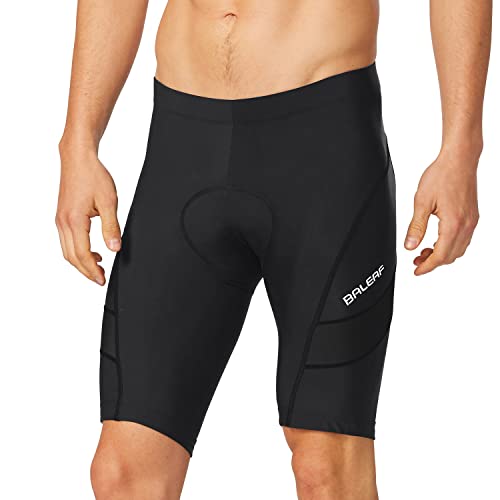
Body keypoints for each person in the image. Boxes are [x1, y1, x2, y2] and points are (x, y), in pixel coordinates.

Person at [56, 1, 491, 498]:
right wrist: (78, 144)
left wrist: (461, 148)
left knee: (326, 469)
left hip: (322, 146)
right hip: (183, 142)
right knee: (122, 473)